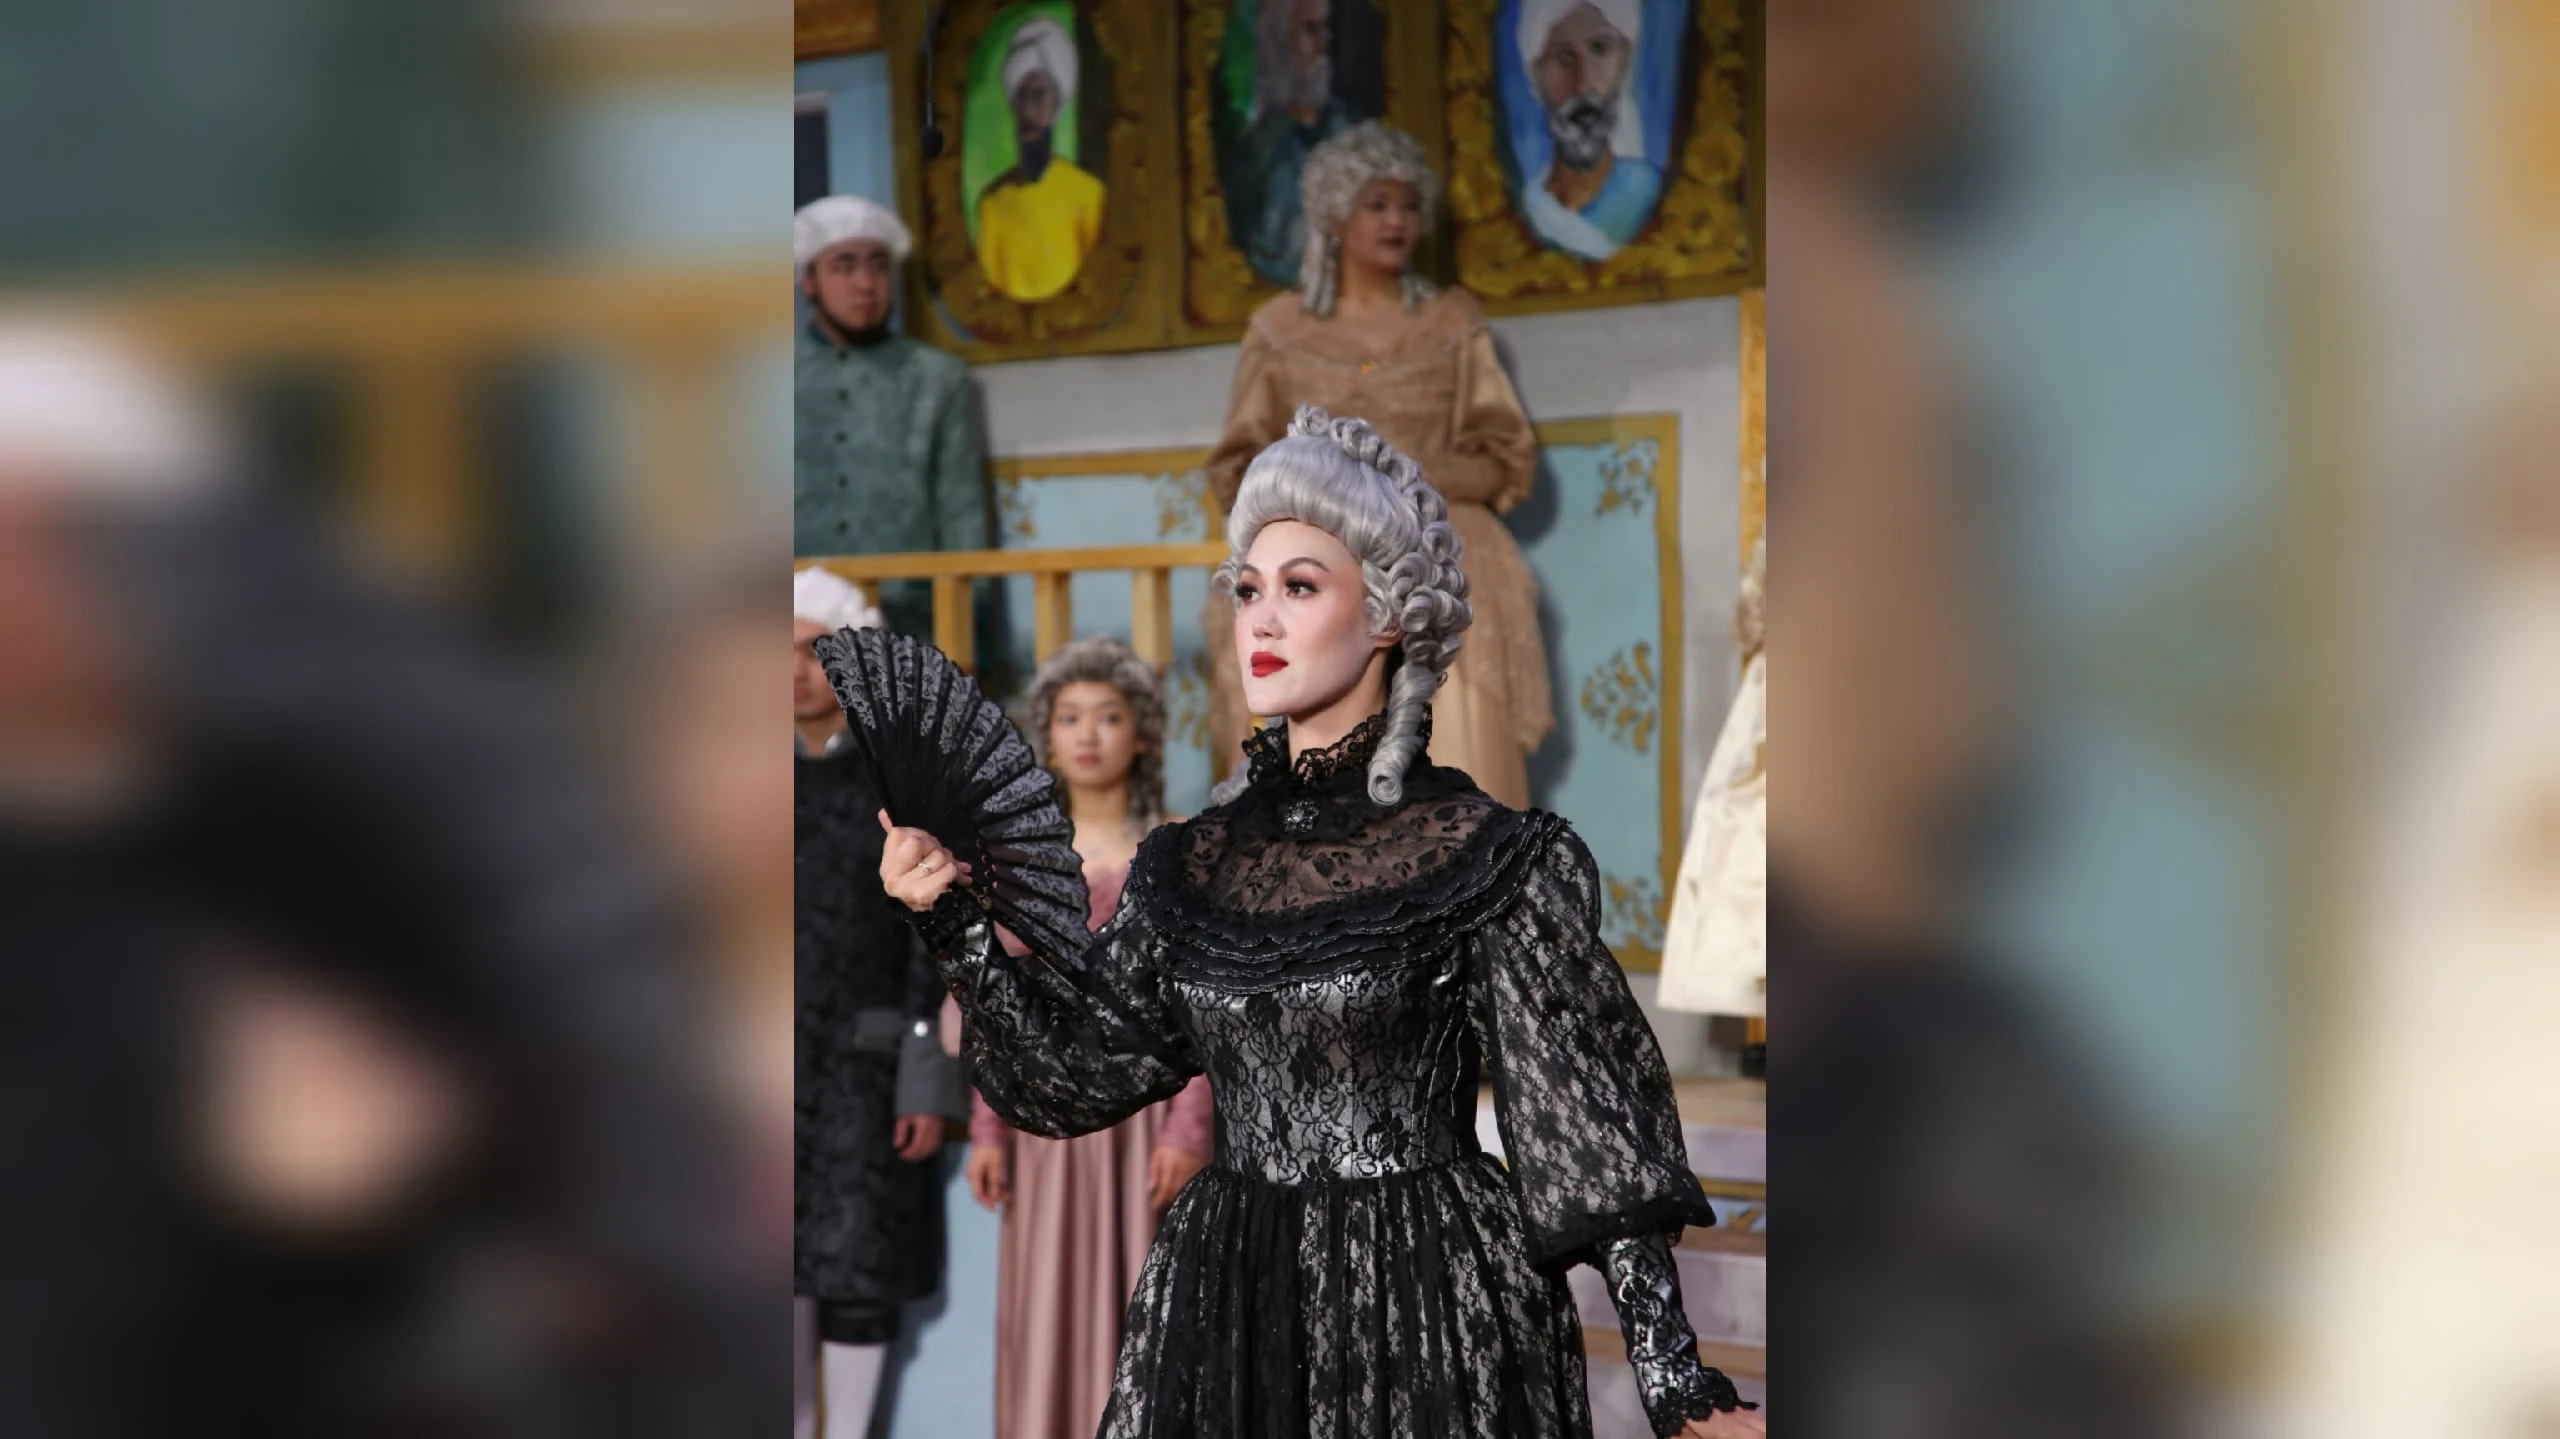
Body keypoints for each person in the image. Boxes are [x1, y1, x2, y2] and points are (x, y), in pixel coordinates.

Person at [879, 407, 1761, 1438]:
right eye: (1247, 589)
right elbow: (1074, 1069)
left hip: (1427, 1300)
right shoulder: (1190, 862)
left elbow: (1587, 1131)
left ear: (1386, 615)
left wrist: (1674, 1382)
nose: (1260, 619)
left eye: (1300, 587)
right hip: (1231, 1296)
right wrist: (951, 916)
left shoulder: (1481, 853)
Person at [1206, 123, 1551, 810]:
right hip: (1314, 561)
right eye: (1377, 204)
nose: (1397, 221)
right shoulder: (1278, 330)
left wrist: (1403, 485)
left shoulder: (1453, 321)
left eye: (1409, 205)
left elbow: (1507, 461)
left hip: (1445, 558)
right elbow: (1236, 467)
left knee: (1457, 760)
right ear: (1335, 214)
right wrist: (1324, 496)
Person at [963, 636, 1216, 1439]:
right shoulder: (1016, 859)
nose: (1088, 734)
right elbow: (995, 1001)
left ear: (1140, 732)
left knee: (1148, 1300)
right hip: (1045, 1119)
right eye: (1069, 717)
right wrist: (988, 1127)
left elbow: (1201, 1001)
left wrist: (1188, 1127)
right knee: (1046, 1305)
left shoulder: (1177, 850)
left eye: (1108, 716)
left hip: (1148, 1112)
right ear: (1047, 733)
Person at [793, 567, 964, 1439]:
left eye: (813, 650)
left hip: (867, 1063)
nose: (793, 670)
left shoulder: (896, 782)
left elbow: (929, 948)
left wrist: (922, 1079)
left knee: (860, 1274)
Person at [794, 195, 990, 637]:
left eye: (879, 267)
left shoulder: (937, 378)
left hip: (909, 622)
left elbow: (961, 516)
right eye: (844, 267)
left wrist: (972, 640)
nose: (866, 284)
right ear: (809, 282)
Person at [1516, 0, 1662, 260]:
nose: (1583, 86)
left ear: (1624, 61)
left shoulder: (1651, 193)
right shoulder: (1525, 210)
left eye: (1599, 49)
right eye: (1563, 56)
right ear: (1536, 75)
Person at [975, 18, 1107, 303]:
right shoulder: (992, 204)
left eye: (1039, 96)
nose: (1028, 110)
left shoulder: (1088, 194)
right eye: (1021, 96)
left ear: (1057, 103)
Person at [1227, 0, 1353, 287]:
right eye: (1310, 30)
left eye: (1326, 29)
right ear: (1279, 41)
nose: (1323, 45)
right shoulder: (1253, 154)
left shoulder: (1354, 134)